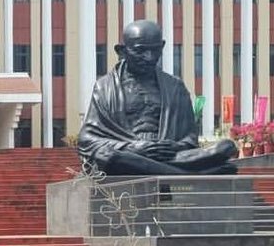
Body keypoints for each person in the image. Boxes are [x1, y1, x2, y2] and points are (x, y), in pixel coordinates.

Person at [79, 19, 238, 176]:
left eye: (155, 50)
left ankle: (167, 170)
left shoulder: (175, 87)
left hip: (171, 156)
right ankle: (190, 175)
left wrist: (172, 147)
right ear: (122, 51)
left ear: (161, 47)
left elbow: (190, 138)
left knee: (226, 147)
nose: (149, 57)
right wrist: (133, 147)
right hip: (127, 156)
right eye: (140, 51)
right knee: (109, 156)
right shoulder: (104, 87)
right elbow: (87, 140)